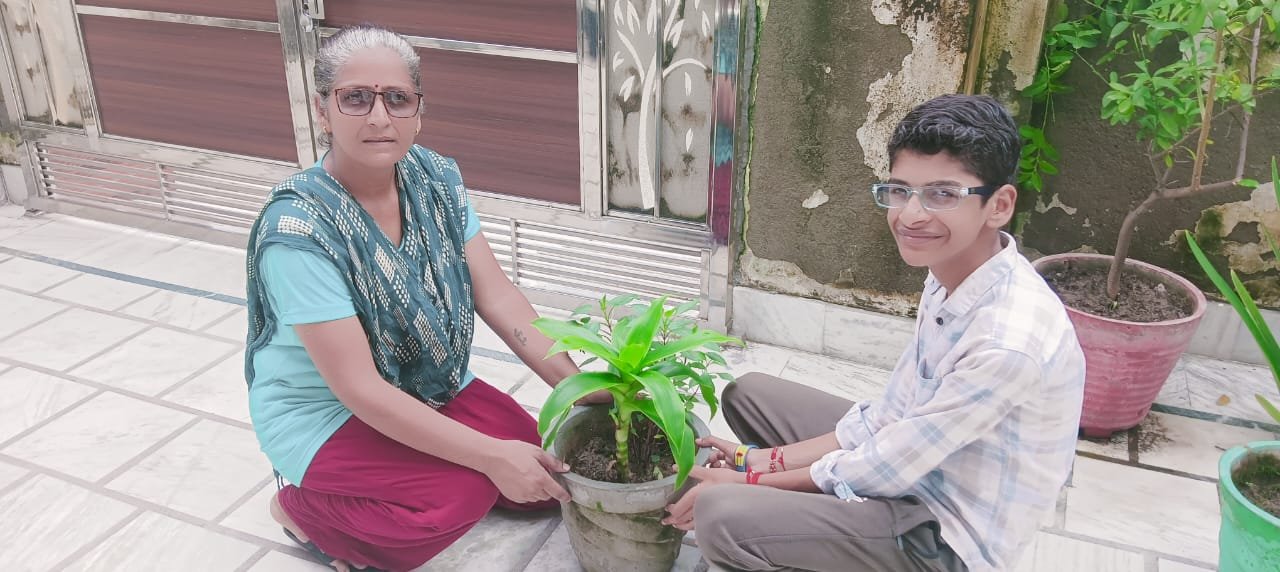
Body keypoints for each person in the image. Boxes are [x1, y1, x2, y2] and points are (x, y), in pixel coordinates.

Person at [663, 94, 1086, 572]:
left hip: (946, 535)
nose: (911, 215)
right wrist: (761, 461)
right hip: (917, 472)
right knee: (749, 394)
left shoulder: (1008, 343)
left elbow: (889, 465)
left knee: (721, 514)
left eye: (943, 194)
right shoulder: (952, 274)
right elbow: (889, 417)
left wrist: (747, 482)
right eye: (900, 190)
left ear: (999, 205)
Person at [244, 25, 600, 572]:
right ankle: (300, 508)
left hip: (424, 380)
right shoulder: (300, 231)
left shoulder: (434, 180)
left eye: (397, 99)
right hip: (324, 411)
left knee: (542, 472)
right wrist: (489, 457)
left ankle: (448, 465)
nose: (379, 118)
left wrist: (579, 389)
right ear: (322, 110)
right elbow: (360, 389)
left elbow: (498, 296)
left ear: (418, 110)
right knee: (459, 497)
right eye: (356, 98)